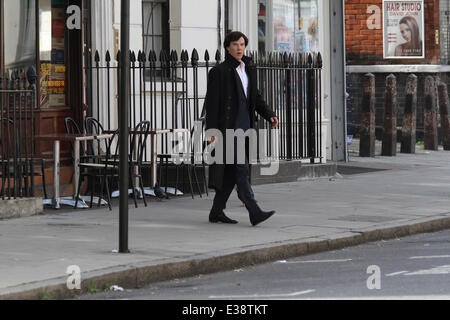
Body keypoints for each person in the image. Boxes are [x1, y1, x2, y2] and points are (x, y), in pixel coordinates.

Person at [204, 31, 279, 226]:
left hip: (245, 128)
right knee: (241, 169)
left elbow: (256, 97)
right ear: (227, 47)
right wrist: (211, 132)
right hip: (227, 130)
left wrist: (269, 113)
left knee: (230, 174)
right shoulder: (219, 72)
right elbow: (211, 105)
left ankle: (216, 211)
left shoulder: (248, 69)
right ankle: (254, 211)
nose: (239, 48)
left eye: (242, 44)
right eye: (235, 44)